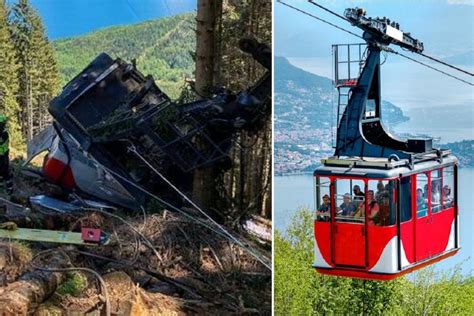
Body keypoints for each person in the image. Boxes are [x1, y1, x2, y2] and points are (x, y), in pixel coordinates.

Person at [0, 115, 12, 195]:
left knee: (5, 172)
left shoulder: (4, 134)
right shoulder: (4, 132)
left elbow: (1, 142)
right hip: (3, 155)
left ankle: (9, 189)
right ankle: (2, 186)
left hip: (3, 155)